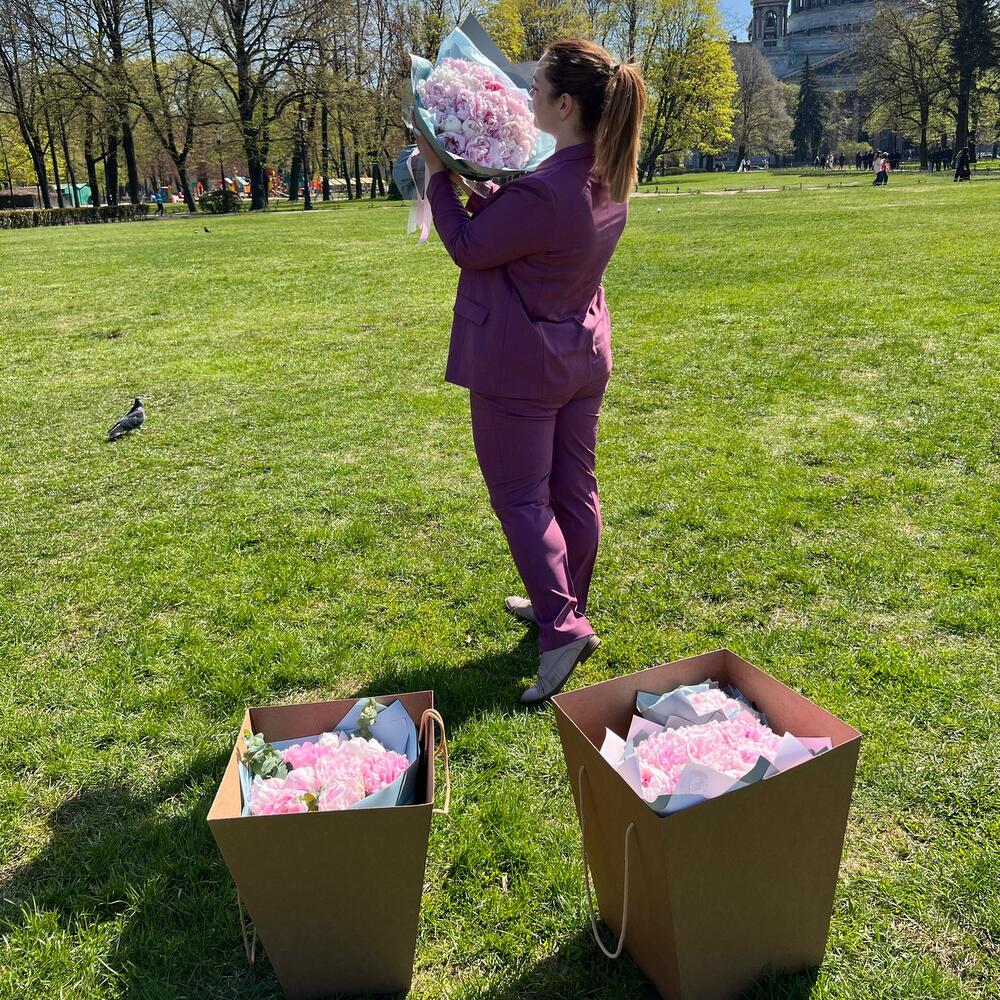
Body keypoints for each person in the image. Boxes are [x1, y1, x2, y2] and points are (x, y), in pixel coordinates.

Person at [414, 40, 646, 704]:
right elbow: (528, 228)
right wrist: (482, 185)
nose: (526, 95)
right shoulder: (604, 175)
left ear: (565, 105)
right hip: (581, 353)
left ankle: (562, 627)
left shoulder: (548, 188)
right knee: (575, 489)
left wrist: (437, 173)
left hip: (522, 364)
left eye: (537, 87)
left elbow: (469, 246)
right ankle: (563, 604)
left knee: (522, 498)